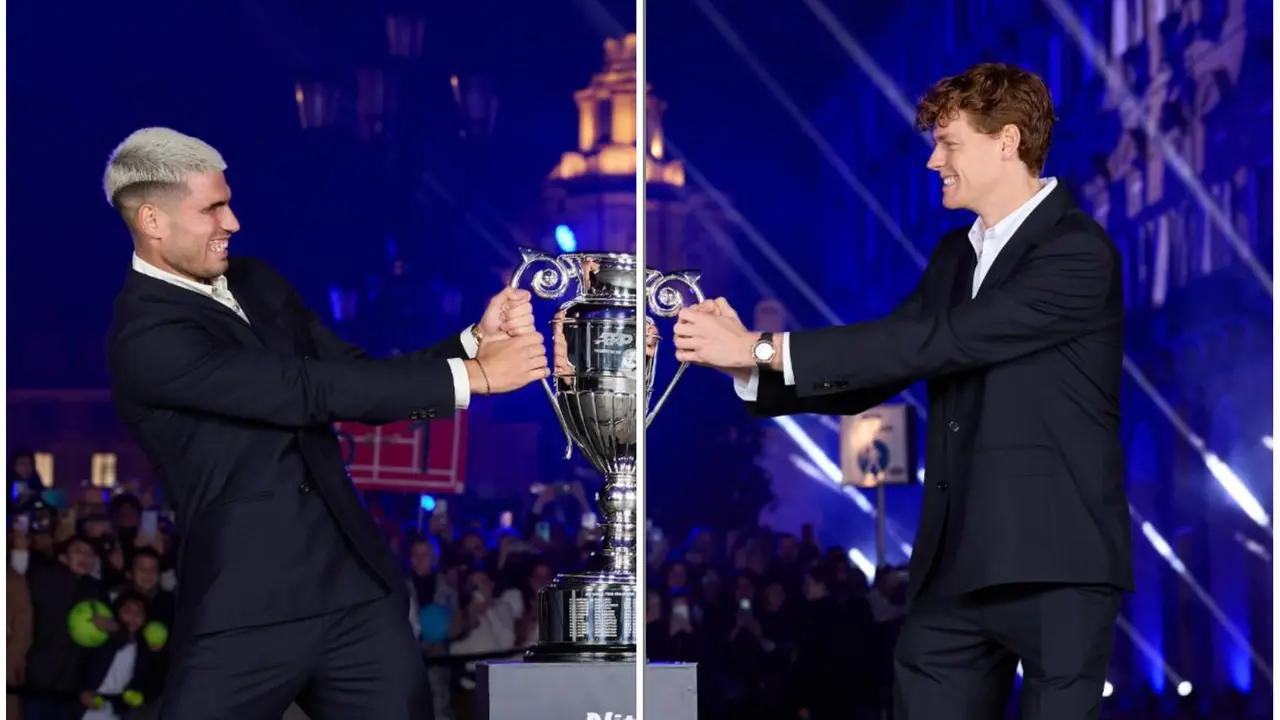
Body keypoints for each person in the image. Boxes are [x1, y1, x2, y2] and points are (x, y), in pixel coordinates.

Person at [674, 62, 1130, 719]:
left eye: (949, 144)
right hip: (953, 566)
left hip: (1054, 564)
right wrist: (747, 368)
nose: (931, 163)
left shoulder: (1077, 252)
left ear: (1006, 142)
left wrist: (762, 348)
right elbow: (886, 361)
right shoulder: (954, 256)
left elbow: (942, 342)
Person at [103, 127, 550, 720]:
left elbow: (353, 376)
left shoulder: (256, 281)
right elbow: (306, 391)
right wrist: (476, 376)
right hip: (247, 605)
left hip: (356, 594)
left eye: (228, 201)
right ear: (153, 221)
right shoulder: (145, 337)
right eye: (213, 207)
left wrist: (474, 339)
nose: (232, 221)